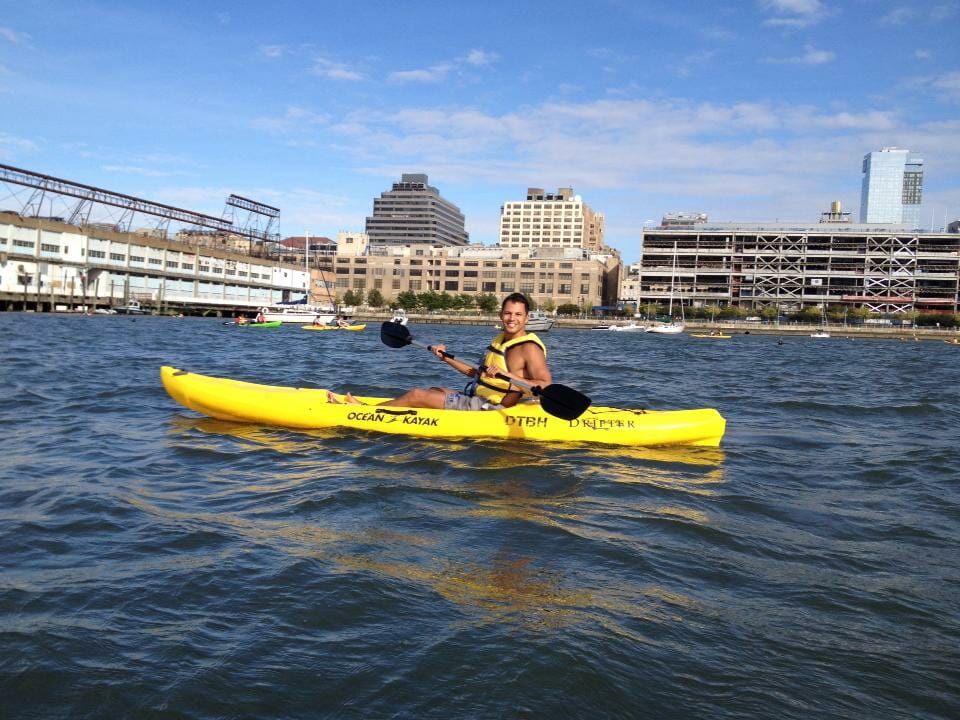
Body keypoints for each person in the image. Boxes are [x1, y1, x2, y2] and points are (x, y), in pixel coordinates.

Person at [330, 292, 551, 411]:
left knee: (417, 394)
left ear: (526, 318)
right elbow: (476, 373)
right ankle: (396, 409)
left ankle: (365, 412)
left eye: (518, 315)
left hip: (491, 408)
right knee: (436, 388)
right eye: (508, 313)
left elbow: (546, 385)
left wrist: (510, 376)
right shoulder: (501, 339)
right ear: (501, 314)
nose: (512, 319)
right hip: (478, 396)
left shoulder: (529, 347)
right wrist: (444, 357)